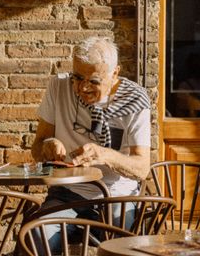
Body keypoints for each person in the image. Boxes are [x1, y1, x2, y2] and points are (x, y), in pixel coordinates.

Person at [31, 36, 151, 249]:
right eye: (77, 77)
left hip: (117, 197)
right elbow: (37, 145)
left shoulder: (135, 100)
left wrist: (103, 154)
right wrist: (47, 145)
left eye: (94, 81)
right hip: (68, 194)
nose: (82, 88)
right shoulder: (59, 86)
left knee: (125, 247)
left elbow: (141, 168)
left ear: (115, 73)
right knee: (37, 236)